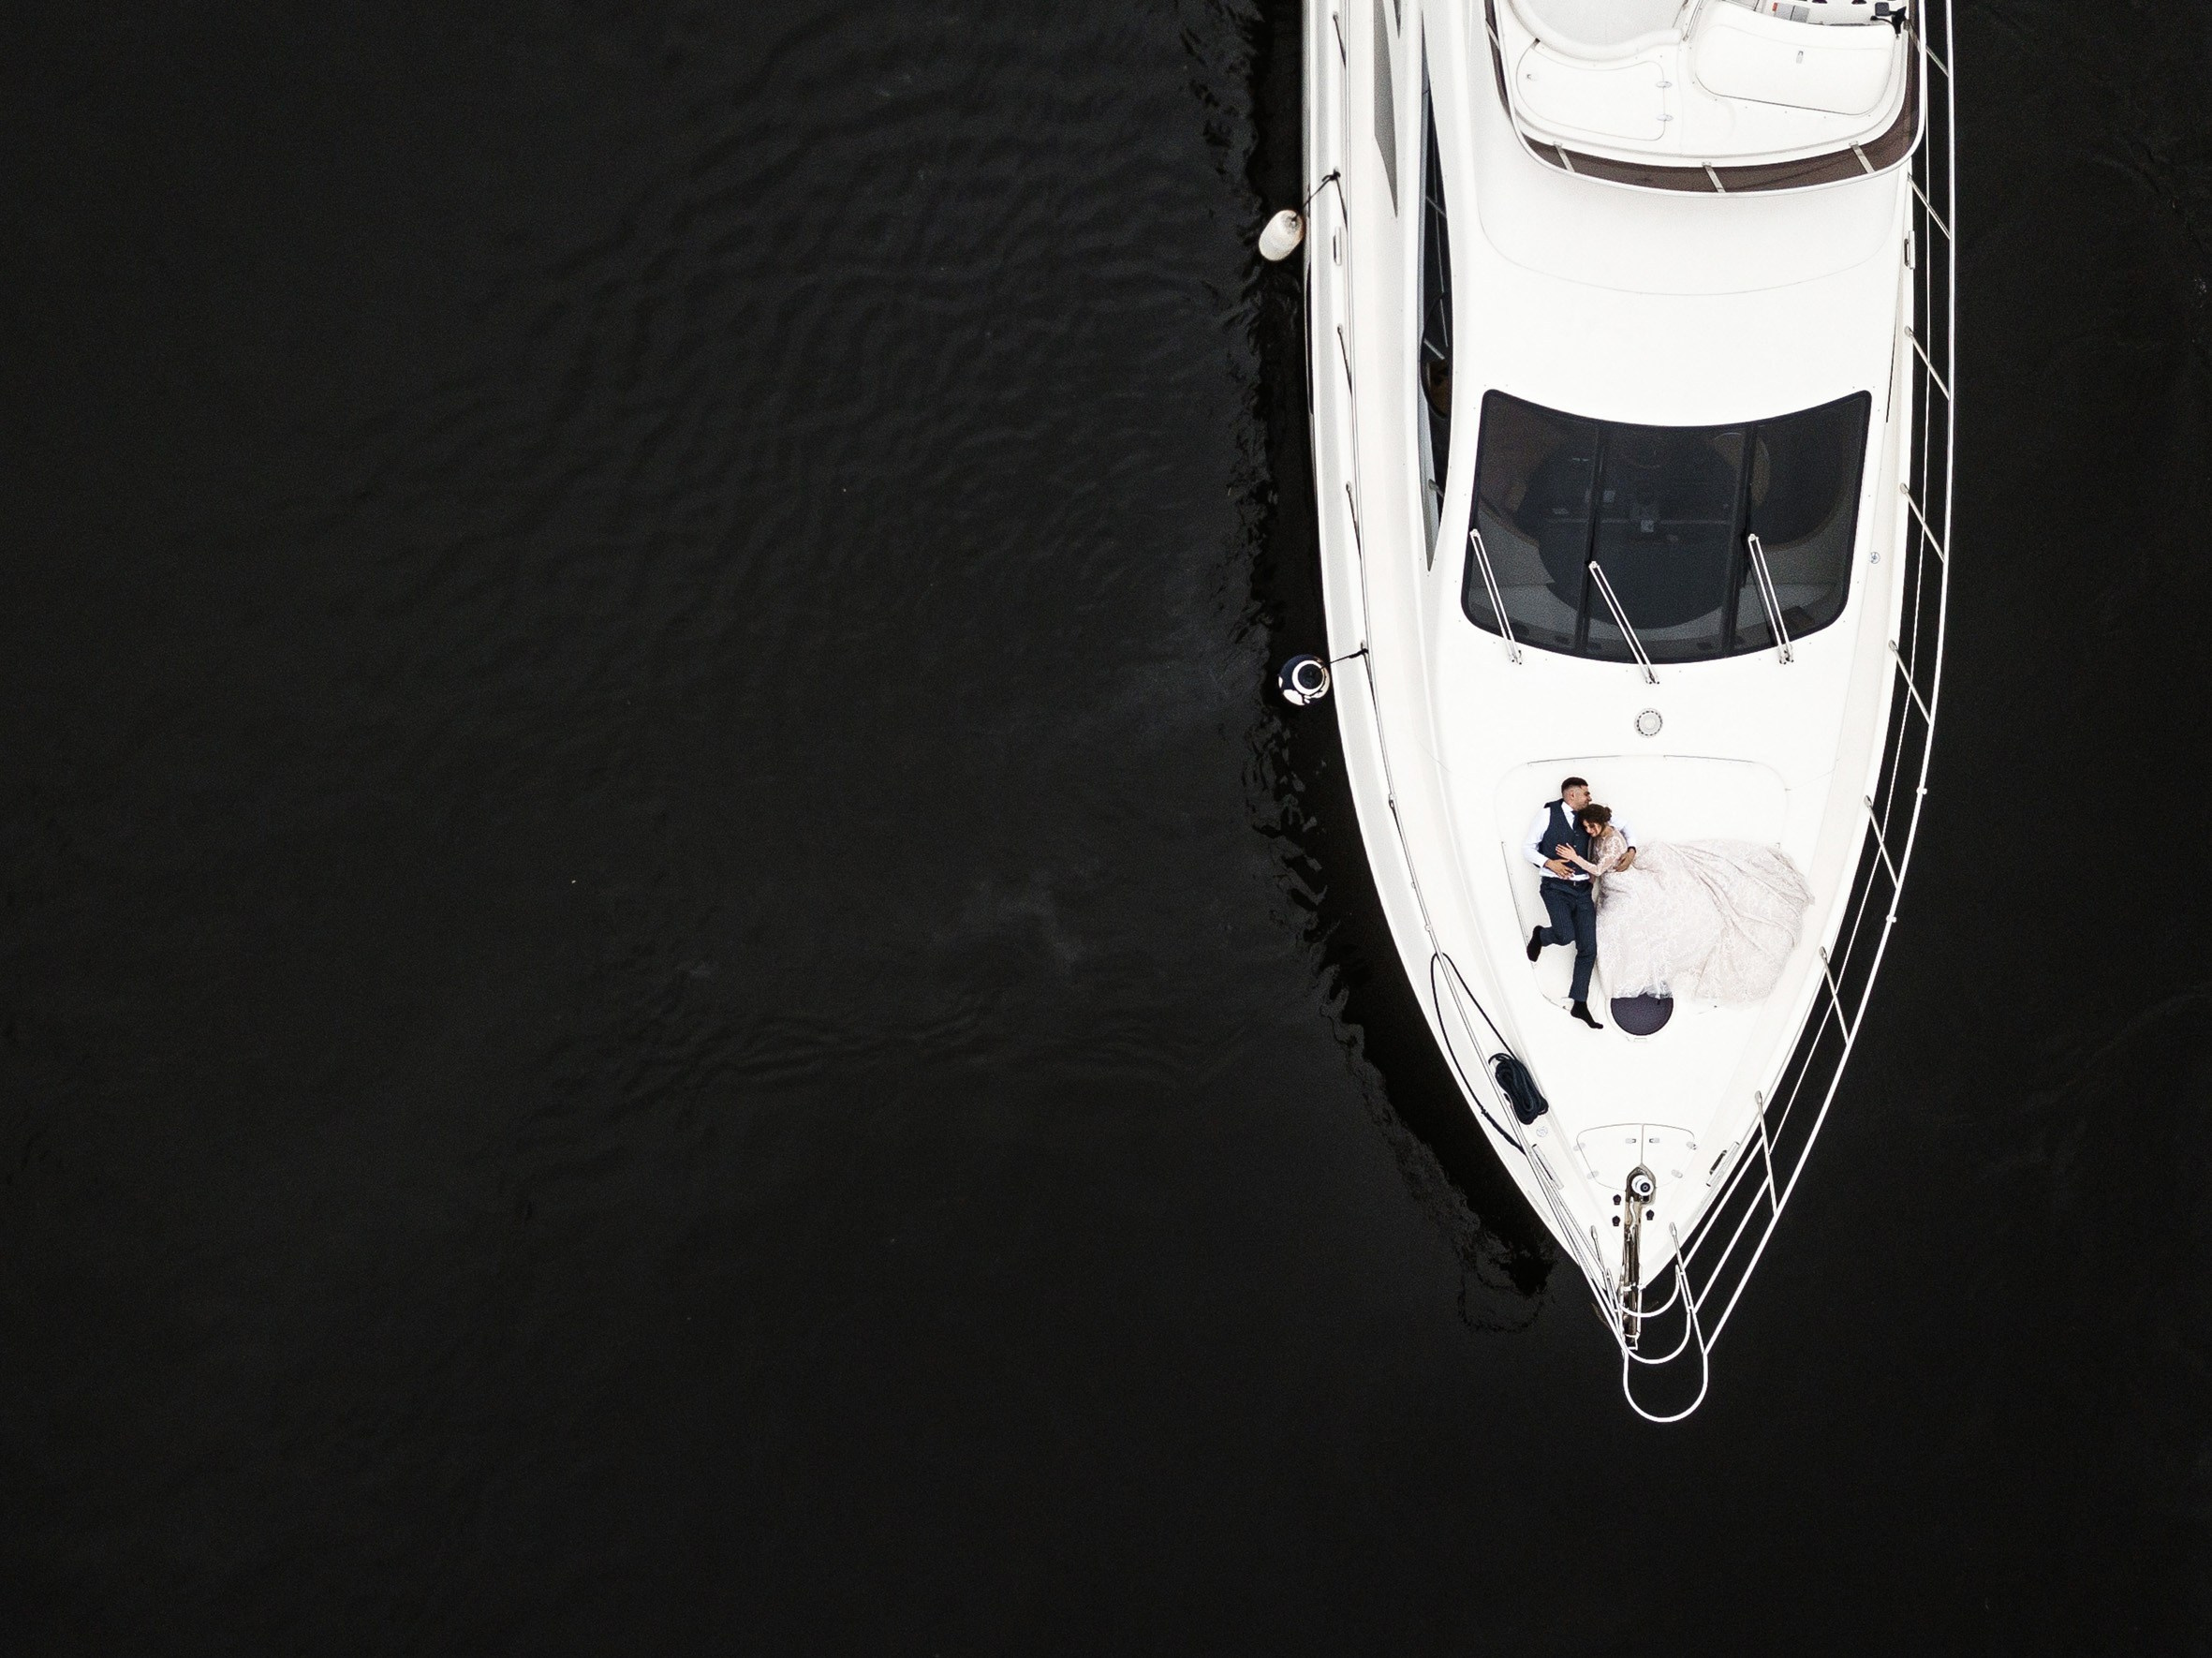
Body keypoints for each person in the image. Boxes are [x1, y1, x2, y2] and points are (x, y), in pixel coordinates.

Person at [1554, 808, 1813, 1005]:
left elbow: (1599, 868)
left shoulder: (1613, 840)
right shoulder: (1600, 835)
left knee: (1624, 921)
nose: (1588, 831)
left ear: (1600, 821)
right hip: (1614, 882)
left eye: (1590, 826)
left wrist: (1575, 858)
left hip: (1624, 882)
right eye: (1586, 827)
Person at [1521, 777, 1635, 1029]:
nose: (1589, 796)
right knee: (1564, 935)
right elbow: (1527, 848)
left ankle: (1579, 1004)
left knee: (1588, 948)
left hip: (1583, 890)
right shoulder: (1547, 814)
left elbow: (1626, 827)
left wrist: (1631, 850)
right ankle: (1542, 936)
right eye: (1585, 793)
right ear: (1571, 795)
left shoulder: (1590, 815)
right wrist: (1549, 863)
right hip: (1555, 887)